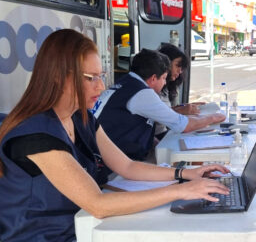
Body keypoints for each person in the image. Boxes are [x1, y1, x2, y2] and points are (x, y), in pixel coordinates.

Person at [0, 29, 230, 242]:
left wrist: (186, 174)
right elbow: (97, 204)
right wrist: (181, 190)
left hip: (84, 228)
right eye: (91, 78)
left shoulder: (81, 119)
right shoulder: (35, 136)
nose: (100, 87)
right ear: (59, 77)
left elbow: (127, 166)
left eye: (101, 77)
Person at [94, 48, 225, 161]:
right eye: (163, 78)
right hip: (108, 163)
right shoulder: (142, 93)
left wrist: (161, 148)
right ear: (153, 78)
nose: (164, 83)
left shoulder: (126, 83)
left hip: (110, 153)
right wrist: (213, 117)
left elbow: (141, 129)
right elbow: (183, 125)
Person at [155, 43, 205, 139]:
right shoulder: (152, 87)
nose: (180, 71)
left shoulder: (165, 87)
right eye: (177, 66)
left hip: (165, 132)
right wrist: (181, 111)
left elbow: (165, 109)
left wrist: (185, 107)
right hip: (157, 136)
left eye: (182, 68)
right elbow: (157, 115)